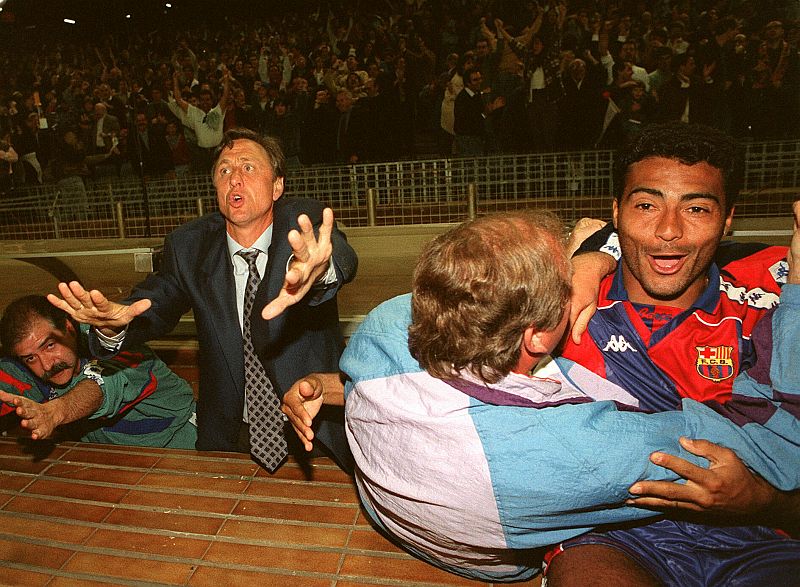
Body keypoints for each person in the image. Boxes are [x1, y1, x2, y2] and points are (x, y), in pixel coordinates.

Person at [280, 208, 800, 582]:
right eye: (566, 281)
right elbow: (778, 444)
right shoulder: (580, 448)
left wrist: (590, 254)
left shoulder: (387, 325)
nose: (582, 280)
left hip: (398, 515)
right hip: (489, 552)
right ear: (536, 336)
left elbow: (389, 371)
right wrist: (795, 293)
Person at [553, 122, 799, 585]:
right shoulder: (562, 306)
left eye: (698, 208)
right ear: (617, 213)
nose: (668, 230)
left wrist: (765, 500)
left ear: (728, 220)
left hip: (763, 537)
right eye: (646, 205)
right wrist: (587, 253)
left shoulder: (773, 302)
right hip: (613, 535)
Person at [48, 128, 358, 474]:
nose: (235, 179)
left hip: (317, 431)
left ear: (277, 187)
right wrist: (113, 326)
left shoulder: (305, 221)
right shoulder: (189, 246)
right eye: (224, 170)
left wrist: (320, 271)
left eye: (248, 168)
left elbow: (339, 255)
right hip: (230, 438)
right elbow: (156, 300)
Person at [0, 295, 197, 449]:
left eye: (50, 345)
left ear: (69, 328)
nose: (46, 365)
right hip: (115, 461)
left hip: (183, 444)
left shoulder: (113, 341)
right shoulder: (26, 367)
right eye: (30, 358)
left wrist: (55, 412)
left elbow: (100, 387)